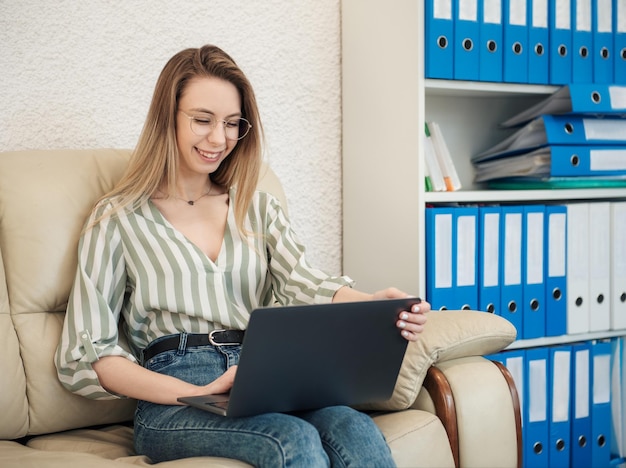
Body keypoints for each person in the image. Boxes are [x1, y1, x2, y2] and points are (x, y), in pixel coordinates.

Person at [55, 44, 430, 467]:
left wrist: (375, 306)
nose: (219, 139)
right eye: (202, 120)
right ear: (167, 117)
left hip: (264, 375)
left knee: (355, 428)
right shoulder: (117, 217)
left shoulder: (258, 207)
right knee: (291, 439)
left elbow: (302, 282)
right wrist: (200, 392)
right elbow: (92, 354)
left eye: (232, 124)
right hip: (176, 390)